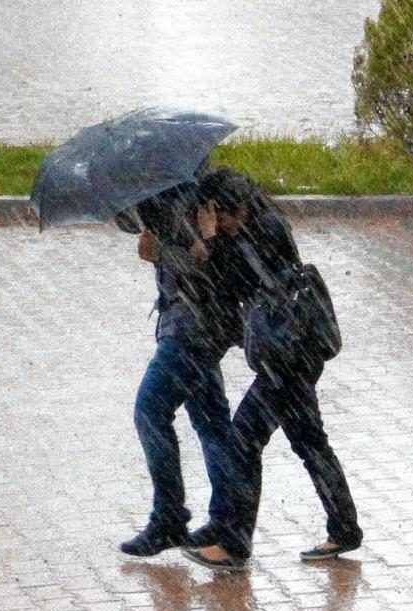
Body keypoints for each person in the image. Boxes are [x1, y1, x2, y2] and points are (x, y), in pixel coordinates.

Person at [179, 168, 364, 571]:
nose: (212, 222)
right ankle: (345, 528)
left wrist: (210, 244)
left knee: (244, 439)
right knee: (310, 441)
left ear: (222, 208)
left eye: (211, 214)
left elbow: (231, 282)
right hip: (296, 353)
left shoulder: (260, 230)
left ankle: (234, 544)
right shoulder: (259, 223)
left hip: (288, 359)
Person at [117, 183, 248, 564]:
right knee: (212, 424)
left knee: (150, 410)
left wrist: (159, 252)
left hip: (193, 328)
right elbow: (130, 223)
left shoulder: (186, 197)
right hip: (196, 325)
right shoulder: (162, 192)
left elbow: (206, 268)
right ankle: (227, 521)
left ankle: (170, 517)